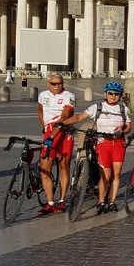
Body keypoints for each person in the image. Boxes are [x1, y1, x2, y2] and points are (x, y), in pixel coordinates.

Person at [57, 82, 131, 213]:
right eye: (111, 93)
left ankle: (112, 201)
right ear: (105, 94)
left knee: (117, 174)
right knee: (106, 176)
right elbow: (79, 117)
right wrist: (62, 123)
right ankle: (101, 201)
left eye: (117, 94)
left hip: (118, 144)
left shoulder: (124, 110)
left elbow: (128, 126)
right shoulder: (97, 107)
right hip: (103, 144)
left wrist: (123, 130)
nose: (113, 96)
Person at [36, 74, 76, 214]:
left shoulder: (69, 95)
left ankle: (62, 200)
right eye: (54, 83)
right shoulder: (42, 95)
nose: (57, 85)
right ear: (48, 84)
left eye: (59, 83)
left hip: (64, 132)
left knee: (64, 166)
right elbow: (40, 110)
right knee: (45, 167)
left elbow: (67, 113)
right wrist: (45, 127)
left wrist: (57, 126)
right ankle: (50, 202)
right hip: (49, 130)